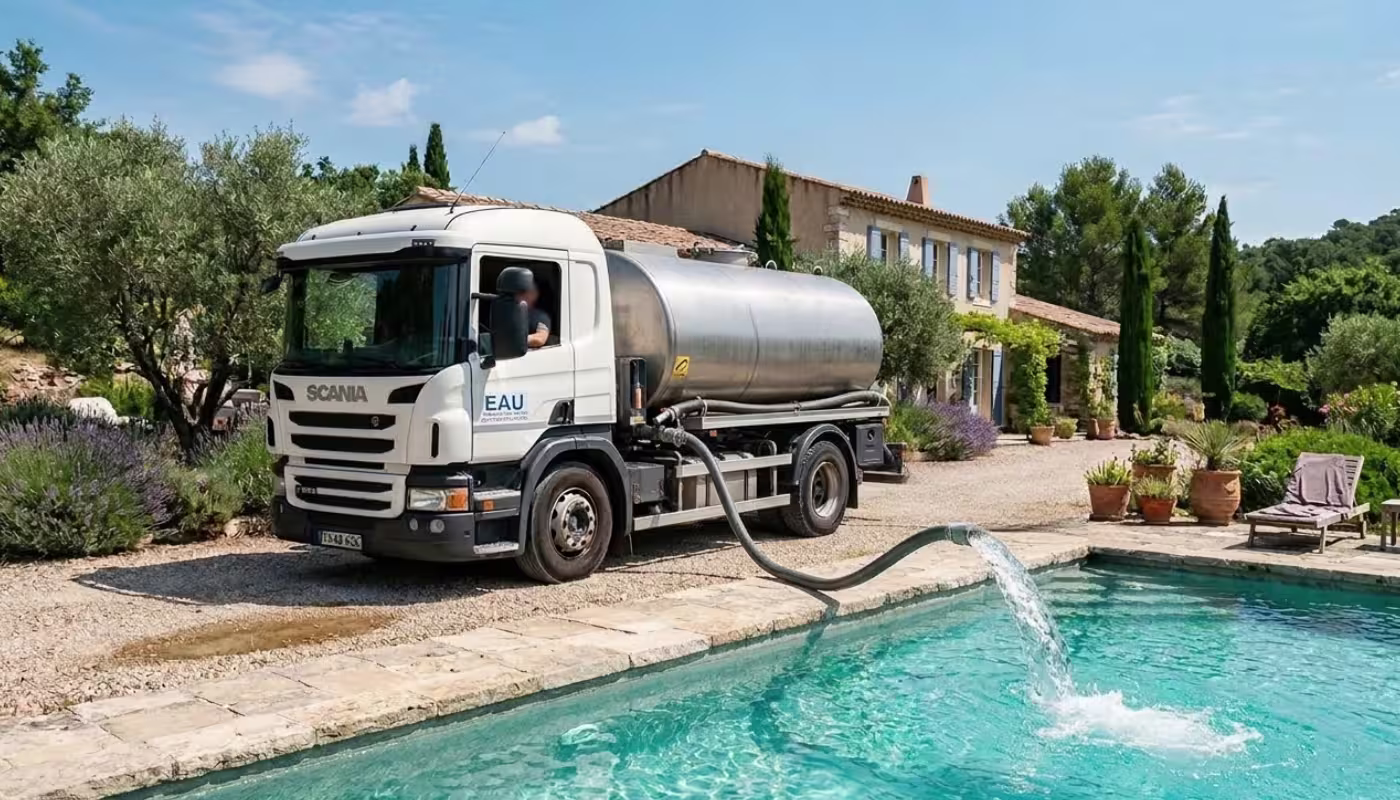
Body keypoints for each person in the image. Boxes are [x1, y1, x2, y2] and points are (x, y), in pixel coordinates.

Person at [521, 280, 551, 349]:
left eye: (524, 292)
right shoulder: (507, 313)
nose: (523, 296)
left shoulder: (539, 316)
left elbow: (540, 338)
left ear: (535, 295)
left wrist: (513, 340)